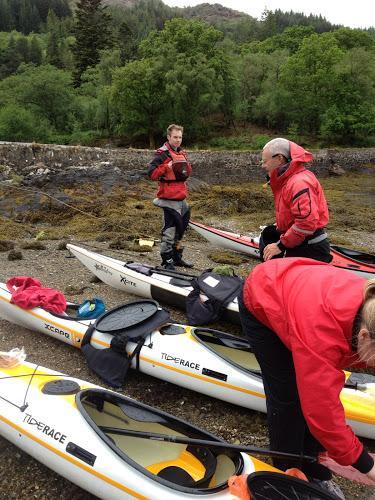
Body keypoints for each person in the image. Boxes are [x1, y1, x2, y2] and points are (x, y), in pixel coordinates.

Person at [239, 258, 375, 498]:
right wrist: (367, 465)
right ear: (364, 336)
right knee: (288, 399)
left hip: (301, 292)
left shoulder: (369, 313)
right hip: (264, 299)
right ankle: (285, 476)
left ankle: (316, 472)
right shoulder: (322, 332)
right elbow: (321, 410)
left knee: (309, 394)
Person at [260, 138, 332, 263]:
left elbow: (306, 223)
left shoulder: (299, 182)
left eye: (265, 161)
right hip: (299, 243)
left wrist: (280, 246)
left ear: (279, 158)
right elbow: (294, 213)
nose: (263, 166)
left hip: (310, 248)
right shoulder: (287, 181)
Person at [148, 124, 193, 270]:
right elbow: (152, 174)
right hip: (168, 199)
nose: (178, 140)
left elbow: (188, 172)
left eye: (180, 137)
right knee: (169, 231)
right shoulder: (161, 154)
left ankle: (177, 257)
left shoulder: (182, 153)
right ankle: (166, 261)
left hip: (181, 198)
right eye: (175, 137)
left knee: (182, 228)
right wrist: (166, 167)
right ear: (168, 137)